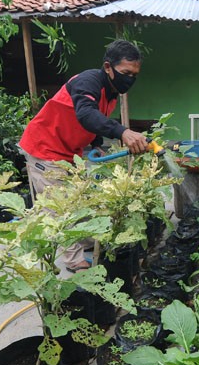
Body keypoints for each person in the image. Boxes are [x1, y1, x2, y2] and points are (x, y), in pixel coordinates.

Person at [18, 39, 148, 272]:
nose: (130, 79)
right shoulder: (88, 82)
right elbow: (86, 113)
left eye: (134, 75)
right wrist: (122, 131)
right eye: (126, 73)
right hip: (45, 148)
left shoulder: (111, 91)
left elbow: (95, 119)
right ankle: (74, 260)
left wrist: (97, 143)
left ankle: (85, 240)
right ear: (108, 67)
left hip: (68, 152)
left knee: (79, 200)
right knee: (60, 207)